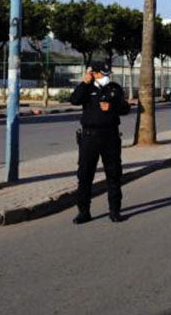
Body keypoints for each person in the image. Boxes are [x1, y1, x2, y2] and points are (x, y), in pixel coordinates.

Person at [69, 61, 131, 224]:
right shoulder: (86, 88)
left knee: (114, 174)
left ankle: (115, 211)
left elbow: (125, 109)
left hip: (110, 136)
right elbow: (74, 100)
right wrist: (84, 82)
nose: (106, 77)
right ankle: (84, 212)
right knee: (85, 175)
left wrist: (112, 107)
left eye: (107, 74)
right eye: (103, 74)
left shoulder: (114, 88)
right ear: (93, 73)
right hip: (89, 137)